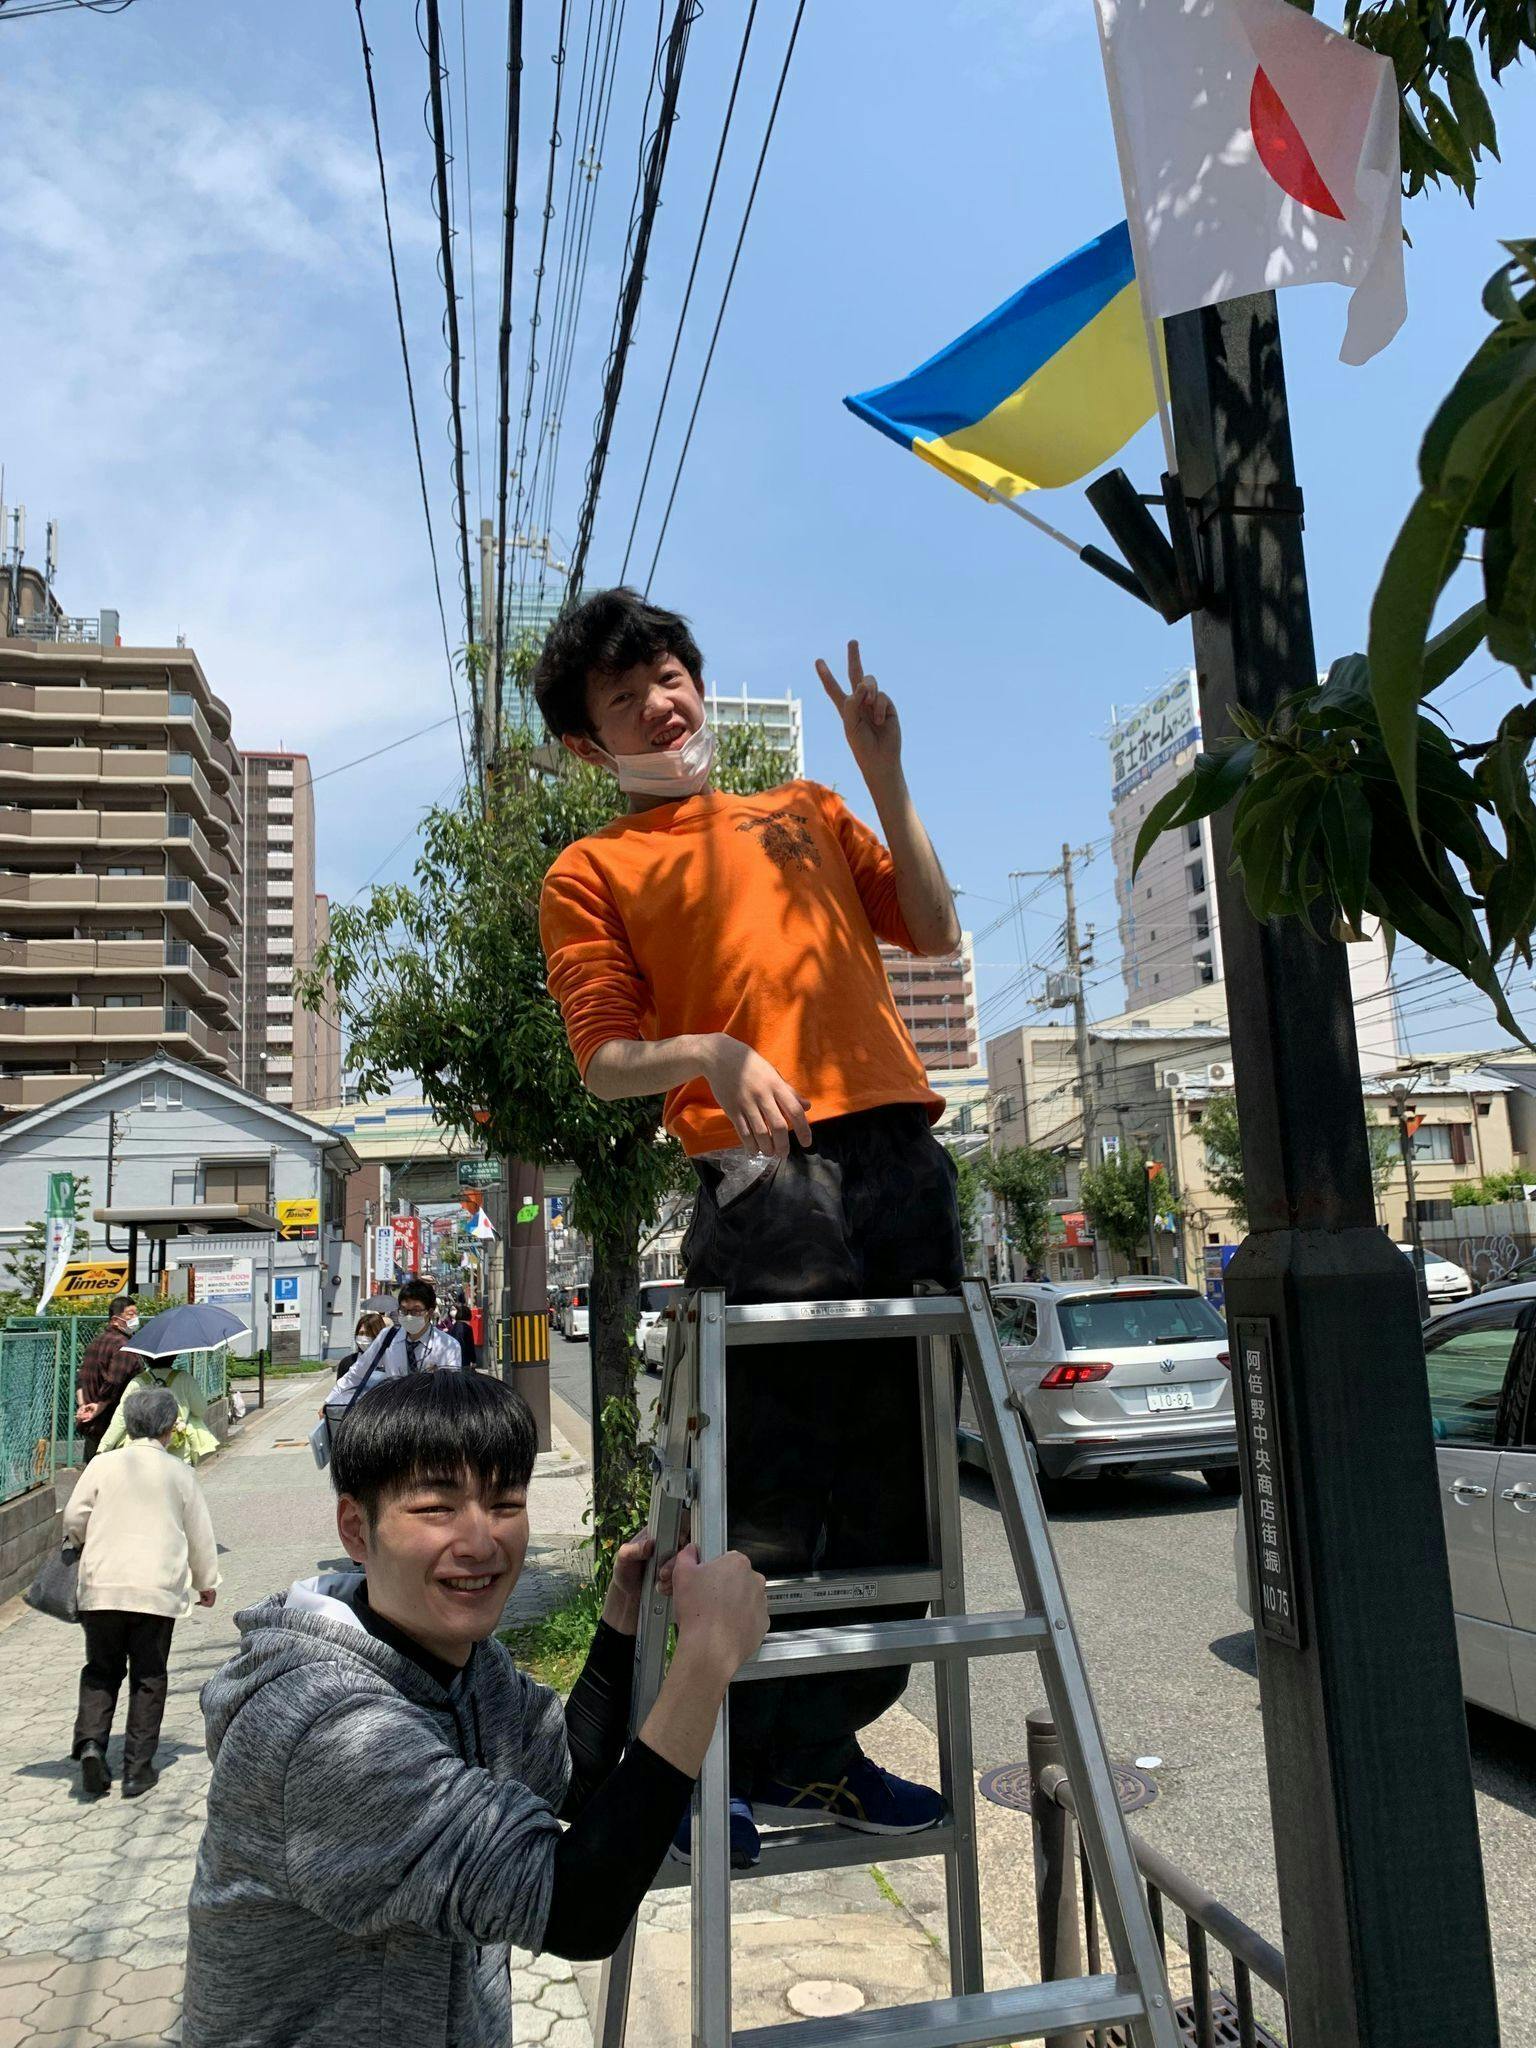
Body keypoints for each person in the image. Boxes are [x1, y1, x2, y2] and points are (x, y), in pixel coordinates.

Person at [538, 589, 963, 1866]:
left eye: (670, 675)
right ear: (587, 744)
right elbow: (606, 1057)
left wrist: (885, 776)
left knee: (907, 1493)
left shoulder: (806, 811)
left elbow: (933, 931)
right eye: (627, 698)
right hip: (762, 1174)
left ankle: (812, 1750)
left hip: (902, 1155)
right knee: (765, 1498)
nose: (664, 703)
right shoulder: (591, 868)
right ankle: (700, 1753)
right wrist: (715, 1052)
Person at [182, 1371, 766, 2048]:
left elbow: (571, 1773)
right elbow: (577, 1910)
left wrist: (623, 1609)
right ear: (355, 1528)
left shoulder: (458, 1657)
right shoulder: (323, 1730)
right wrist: (706, 1660)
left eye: (505, 1502)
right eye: (436, 1508)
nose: (480, 1541)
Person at [66, 1385, 220, 1800]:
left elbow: (74, 1517)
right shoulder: (179, 1472)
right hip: (156, 1590)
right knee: (148, 1676)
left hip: (101, 1588)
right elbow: (199, 1534)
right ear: (170, 1429)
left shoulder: (102, 1465)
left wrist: (82, 1542)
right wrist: (206, 1582)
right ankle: (137, 1770)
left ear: (129, 1424)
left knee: (101, 1670)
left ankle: (93, 1745)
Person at [327, 1277, 461, 1415]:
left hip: (431, 1417)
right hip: (394, 1416)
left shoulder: (448, 1346)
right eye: (404, 1310)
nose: (409, 1316)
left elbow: (450, 1392)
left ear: (430, 1312)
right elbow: (357, 1372)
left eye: (416, 1311)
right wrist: (329, 1400)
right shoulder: (387, 1337)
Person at [97, 1353, 221, 1466]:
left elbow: (120, 1419)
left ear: (145, 1358)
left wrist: (103, 1448)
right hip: (178, 1454)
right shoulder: (184, 1379)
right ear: (174, 1357)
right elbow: (200, 1409)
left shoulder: (137, 1383)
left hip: (140, 1457)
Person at [75, 1295, 142, 1463]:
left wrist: (83, 1406)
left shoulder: (96, 1342)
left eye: (136, 1314)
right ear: (115, 1319)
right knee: (116, 1477)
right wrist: (100, 1405)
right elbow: (114, 1381)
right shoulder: (124, 1345)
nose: (135, 1318)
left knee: (92, 1474)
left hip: (92, 1424)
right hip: (114, 1424)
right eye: (130, 1314)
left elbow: (81, 1378)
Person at [340, 1309, 390, 1381]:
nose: (364, 1338)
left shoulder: (391, 1363)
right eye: (361, 1333)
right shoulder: (347, 1363)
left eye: (369, 1334)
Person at [447, 1296, 478, 1371]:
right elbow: (470, 1346)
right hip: (464, 1360)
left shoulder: (452, 1327)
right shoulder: (467, 1328)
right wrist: (473, 1360)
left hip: (452, 1359)